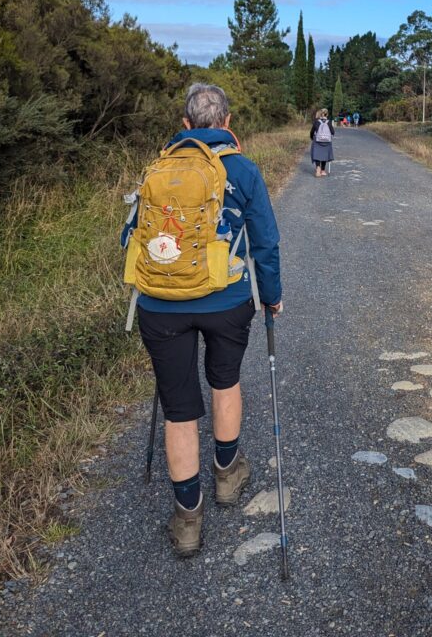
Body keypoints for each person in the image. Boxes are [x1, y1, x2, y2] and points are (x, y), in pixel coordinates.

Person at [121, 83, 282, 557]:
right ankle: (228, 478)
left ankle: (188, 520)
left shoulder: (158, 168)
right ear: (228, 123)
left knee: (179, 407)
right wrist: (271, 298)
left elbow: (132, 236)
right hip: (226, 300)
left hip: (160, 304)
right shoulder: (244, 170)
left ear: (186, 124)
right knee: (224, 382)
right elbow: (266, 243)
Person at [310, 108, 334, 176]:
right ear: (327, 114)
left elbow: (312, 132)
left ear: (320, 114)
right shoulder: (329, 122)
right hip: (327, 141)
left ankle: (318, 168)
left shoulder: (317, 122)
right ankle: (323, 171)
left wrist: (312, 138)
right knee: (325, 155)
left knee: (317, 154)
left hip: (317, 141)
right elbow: (332, 132)